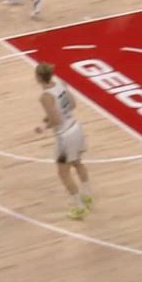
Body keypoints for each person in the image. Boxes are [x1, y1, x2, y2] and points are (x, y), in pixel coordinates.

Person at [34, 62, 93, 220]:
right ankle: (87, 195)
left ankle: (79, 207)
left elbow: (55, 119)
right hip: (75, 127)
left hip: (65, 135)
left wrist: (43, 127)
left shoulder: (45, 97)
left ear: (38, 78)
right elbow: (72, 104)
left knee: (63, 173)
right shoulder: (61, 83)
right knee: (78, 163)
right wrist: (54, 114)